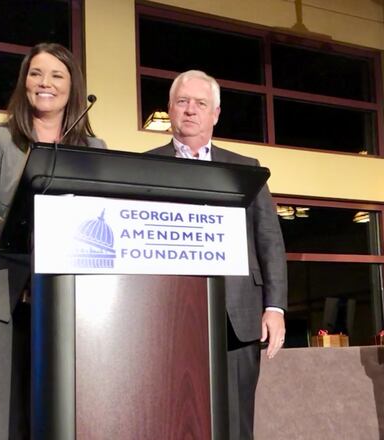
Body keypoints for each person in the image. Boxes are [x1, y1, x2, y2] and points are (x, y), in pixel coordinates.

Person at [0, 42, 105, 440]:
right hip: (7, 300)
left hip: (76, 305)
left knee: (75, 419)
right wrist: (28, 235)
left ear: (73, 86)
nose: (46, 83)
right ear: (25, 83)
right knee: (13, 423)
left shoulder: (95, 149)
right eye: (36, 73)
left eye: (57, 75)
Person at [146, 70, 288, 440]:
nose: (191, 110)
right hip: (169, 317)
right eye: (182, 102)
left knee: (236, 426)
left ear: (216, 114)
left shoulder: (246, 169)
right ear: (170, 110)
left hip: (237, 318)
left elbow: (269, 239)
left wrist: (275, 307)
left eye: (201, 103)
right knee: (175, 423)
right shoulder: (145, 168)